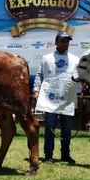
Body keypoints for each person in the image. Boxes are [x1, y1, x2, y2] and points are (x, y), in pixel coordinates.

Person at [32, 31, 80, 164]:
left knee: (66, 128)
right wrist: (36, 90)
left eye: (68, 41)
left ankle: (65, 154)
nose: (66, 44)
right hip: (50, 98)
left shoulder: (75, 60)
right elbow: (39, 75)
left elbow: (78, 77)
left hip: (67, 99)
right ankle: (48, 156)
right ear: (56, 42)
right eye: (63, 41)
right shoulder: (46, 58)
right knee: (50, 127)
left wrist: (81, 89)